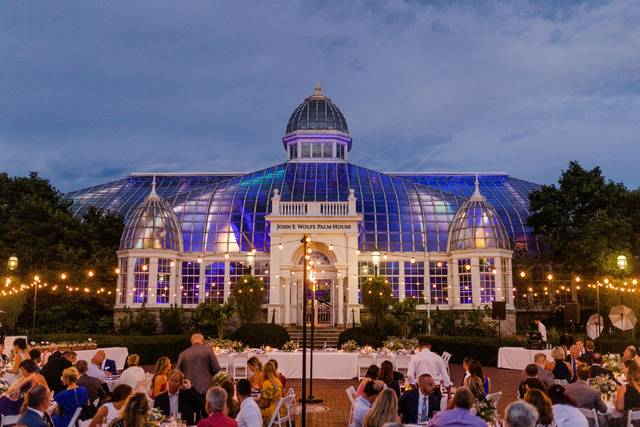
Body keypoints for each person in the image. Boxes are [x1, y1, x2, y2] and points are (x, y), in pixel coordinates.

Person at [176, 332, 220, 397]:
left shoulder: (183, 354)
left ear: (191, 341)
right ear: (203, 340)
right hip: (205, 387)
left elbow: (178, 372)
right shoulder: (208, 351)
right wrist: (208, 375)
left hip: (188, 388)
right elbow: (216, 368)